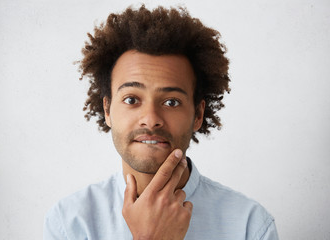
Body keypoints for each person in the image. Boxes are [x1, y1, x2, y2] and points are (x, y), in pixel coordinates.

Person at [44, 5, 279, 240]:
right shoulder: (69, 223)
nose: (151, 119)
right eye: (132, 99)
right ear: (107, 110)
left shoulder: (250, 226)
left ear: (198, 114)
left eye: (172, 102)